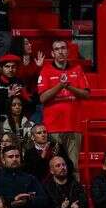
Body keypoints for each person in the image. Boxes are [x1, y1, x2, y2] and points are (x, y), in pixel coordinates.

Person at [35, 41, 90, 169]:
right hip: (53, 128)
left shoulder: (77, 69)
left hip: (73, 126)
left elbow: (86, 94)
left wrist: (69, 87)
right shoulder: (46, 70)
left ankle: (75, 190)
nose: (61, 51)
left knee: (73, 166)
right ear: (52, 53)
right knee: (55, 165)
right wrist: (60, 85)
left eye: (63, 48)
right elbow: (42, 98)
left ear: (68, 51)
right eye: (57, 49)